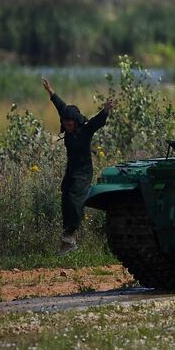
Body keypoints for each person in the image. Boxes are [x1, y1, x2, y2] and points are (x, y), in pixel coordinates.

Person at [42, 77, 114, 255]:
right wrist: (50, 91)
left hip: (84, 170)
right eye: (64, 122)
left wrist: (106, 110)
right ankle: (68, 237)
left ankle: (70, 236)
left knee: (74, 196)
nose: (66, 125)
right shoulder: (66, 122)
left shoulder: (85, 129)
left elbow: (97, 121)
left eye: (69, 122)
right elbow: (60, 106)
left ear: (75, 121)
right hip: (71, 169)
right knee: (66, 196)